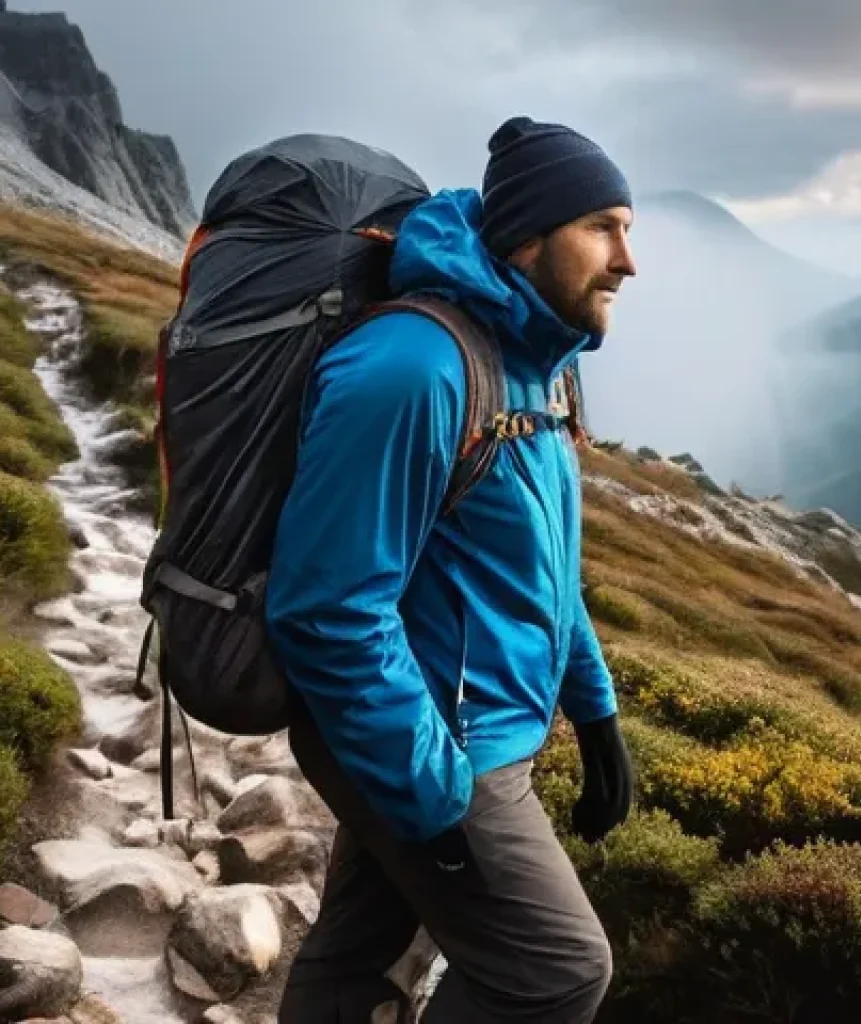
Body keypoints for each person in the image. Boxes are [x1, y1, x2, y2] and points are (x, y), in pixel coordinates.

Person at [265, 114, 638, 1023]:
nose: (628, 262)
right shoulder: (413, 368)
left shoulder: (528, 366)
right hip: (431, 740)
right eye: (602, 227)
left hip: (457, 726)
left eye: (629, 229)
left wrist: (594, 713)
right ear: (524, 237)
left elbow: (543, 567)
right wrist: (431, 792)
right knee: (557, 972)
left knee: (358, 955)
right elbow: (326, 610)